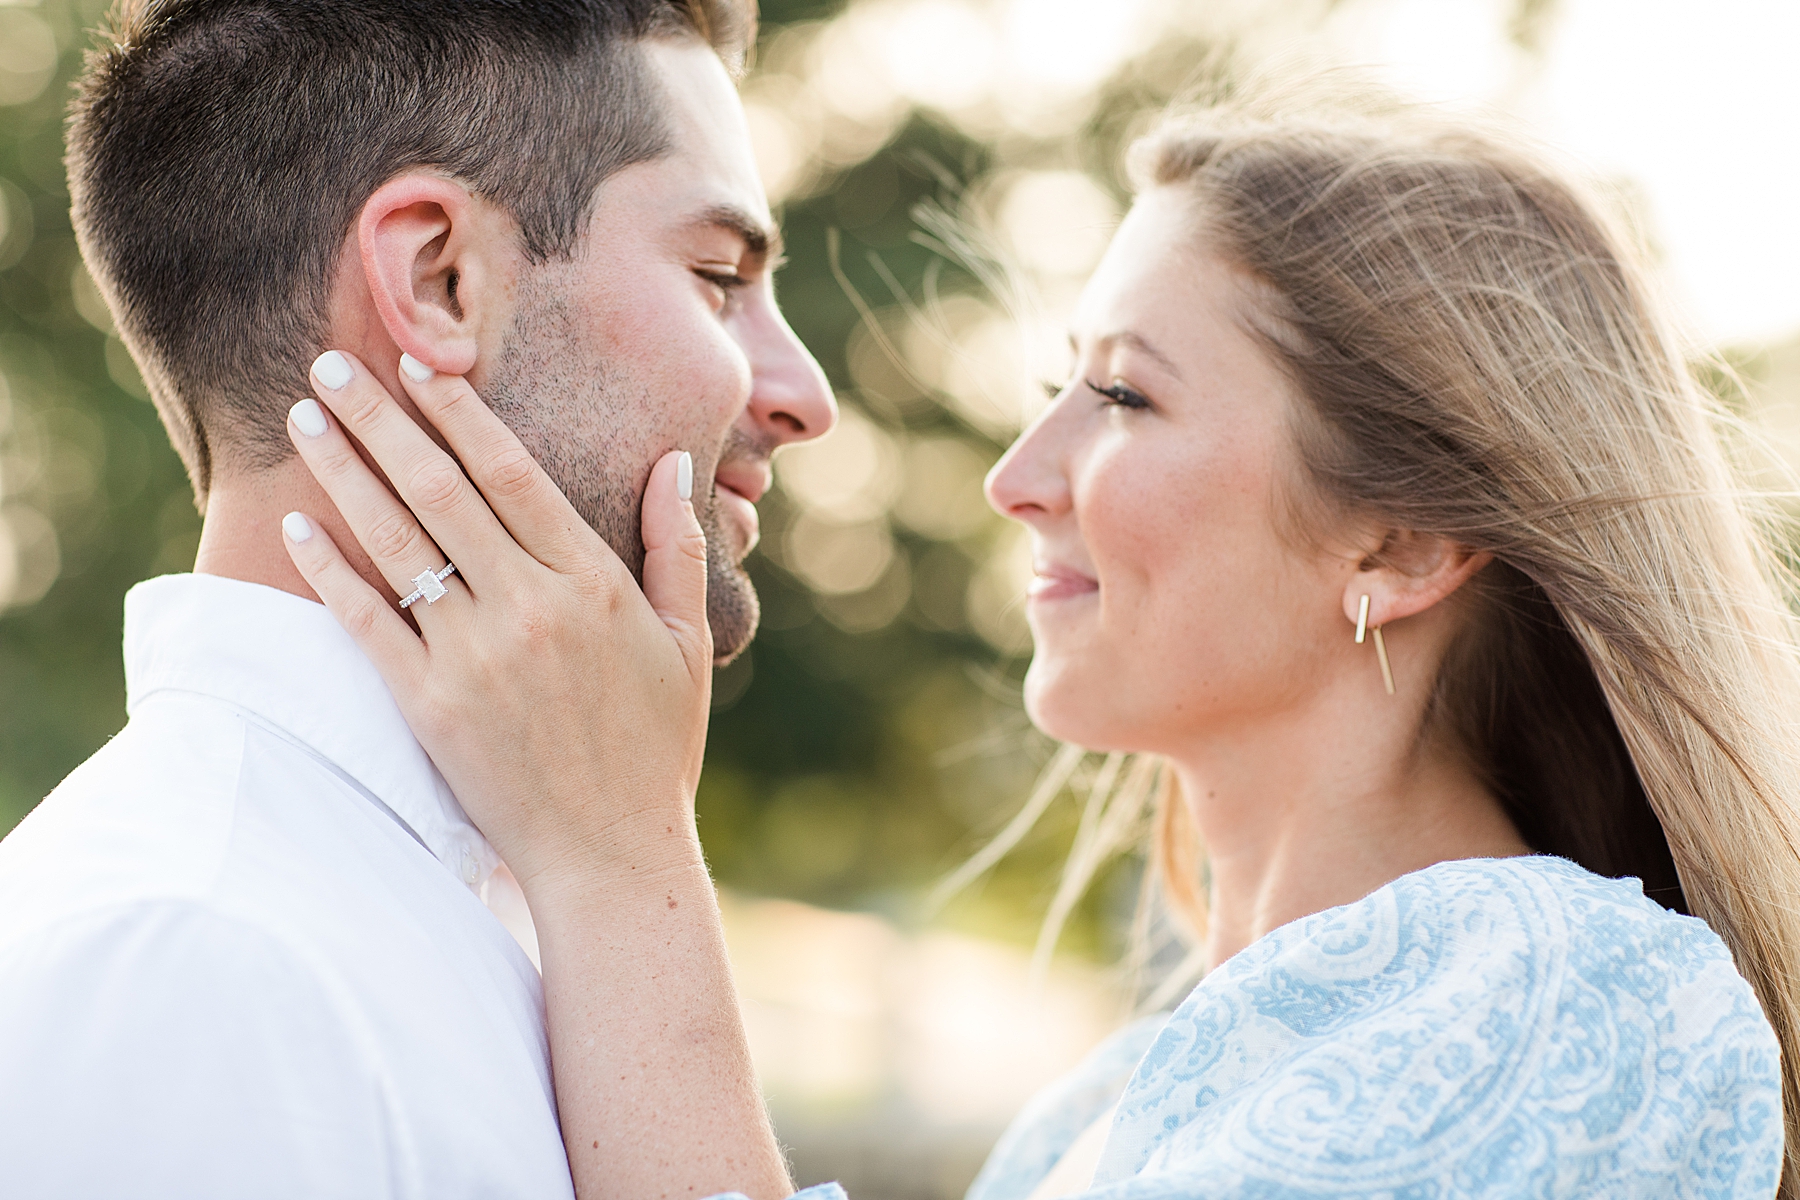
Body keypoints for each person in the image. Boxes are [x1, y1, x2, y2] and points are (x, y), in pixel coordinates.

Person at [285, 100, 1797, 1199]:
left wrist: (617, 856)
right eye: (1057, 387)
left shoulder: (1560, 1001)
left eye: (1125, 398)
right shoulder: (1096, 1113)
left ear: (1399, 545)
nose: (1017, 473)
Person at [0, 1, 832, 1197]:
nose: (805, 396)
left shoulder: (503, 905)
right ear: (437, 280)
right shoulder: (188, 961)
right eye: (717, 277)